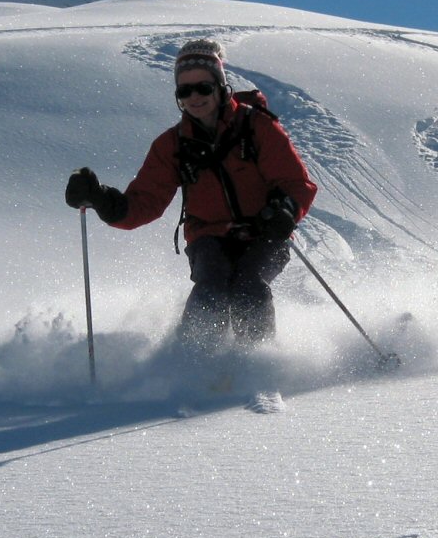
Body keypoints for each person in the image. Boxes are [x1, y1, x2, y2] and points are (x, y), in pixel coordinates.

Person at [66, 40, 317, 352]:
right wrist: (103, 200)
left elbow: (295, 181)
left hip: (265, 231)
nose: (194, 97)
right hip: (208, 236)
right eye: (184, 91)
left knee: (248, 287)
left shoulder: (257, 126)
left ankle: (256, 363)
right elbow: (144, 203)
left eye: (202, 87)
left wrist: (284, 210)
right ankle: (192, 364)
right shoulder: (172, 145)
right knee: (211, 288)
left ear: (220, 86)